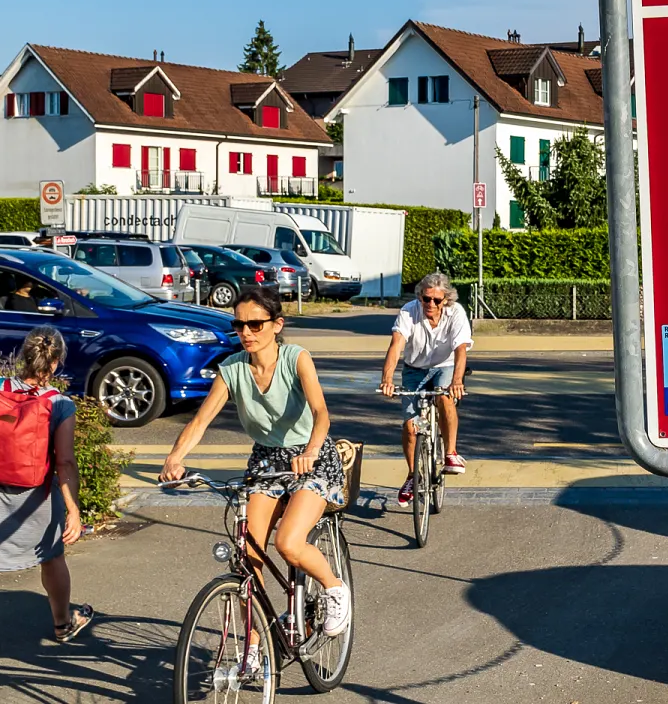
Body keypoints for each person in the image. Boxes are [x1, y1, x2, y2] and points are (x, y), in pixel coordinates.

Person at [158, 285, 350, 667]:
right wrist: (174, 458)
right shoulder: (232, 369)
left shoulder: (296, 359)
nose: (247, 332)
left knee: (289, 543)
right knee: (248, 558)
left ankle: (334, 587)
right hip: (266, 462)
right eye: (240, 324)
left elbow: (321, 413)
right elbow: (200, 422)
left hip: (311, 459)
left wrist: (311, 451)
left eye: (256, 324)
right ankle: (254, 645)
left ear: (277, 325)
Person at [0, 327, 91, 679]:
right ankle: (62, 623)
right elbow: (65, 462)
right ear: (55, 363)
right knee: (52, 556)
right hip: (35, 495)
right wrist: (74, 509)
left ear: (23, 355)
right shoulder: (59, 403)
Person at [380, 271, 472, 508]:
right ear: (420, 297)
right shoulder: (409, 311)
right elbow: (396, 344)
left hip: (444, 365)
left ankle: (450, 451)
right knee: (410, 427)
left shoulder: (456, 313)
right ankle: (413, 475)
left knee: (444, 396)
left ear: (446, 301)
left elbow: (461, 350)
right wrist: (387, 379)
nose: (430, 304)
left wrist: (457, 381)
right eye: (426, 298)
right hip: (414, 369)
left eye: (437, 300)